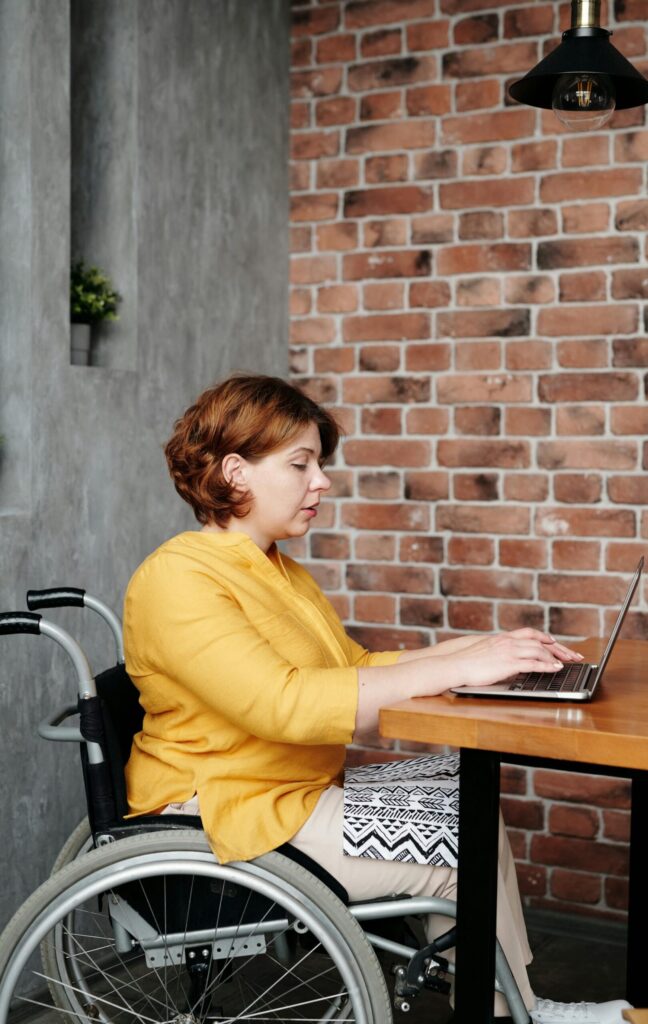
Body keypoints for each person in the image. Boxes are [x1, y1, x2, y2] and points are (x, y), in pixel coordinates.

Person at [123, 373, 631, 1024]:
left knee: (463, 787)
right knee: (461, 837)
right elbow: (286, 705)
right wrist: (468, 662)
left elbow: (353, 667)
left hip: (288, 793)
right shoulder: (179, 578)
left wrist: (479, 652)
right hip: (235, 810)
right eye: (301, 464)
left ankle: (509, 1004)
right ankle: (511, 1012)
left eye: (319, 465)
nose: (322, 482)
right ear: (236, 473)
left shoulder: (276, 568)